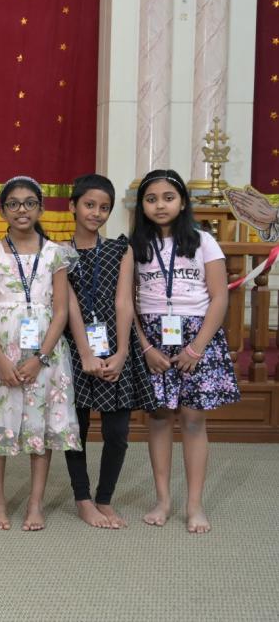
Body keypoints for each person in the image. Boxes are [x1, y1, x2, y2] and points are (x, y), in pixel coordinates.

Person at [0, 175, 81, 532]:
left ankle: (35, 503)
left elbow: (61, 311)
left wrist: (39, 358)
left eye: (29, 203)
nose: (21, 210)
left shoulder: (56, 253)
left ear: (41, 208)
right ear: (2, 211)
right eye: (13, 204)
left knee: (40, 426)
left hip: (45, 353)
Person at [131, 169, 239, 534]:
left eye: (168, 198)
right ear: (142, 206)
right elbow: (127, 303)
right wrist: (145, 346)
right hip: (153, 338)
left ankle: (194, 504)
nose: (160, 205)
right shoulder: (135, 245)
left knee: (193, 419)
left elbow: (219, 297)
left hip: (197, 336)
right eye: (151, 199)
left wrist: (196, 348)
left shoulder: (203, 241)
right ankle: (163, 500)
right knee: (159, 417)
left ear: (182, 202)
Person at [63, 174, 155, 529]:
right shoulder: (59, 252)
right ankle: (83, 499)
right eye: (89, 205)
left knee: (117, 433)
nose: (96, 213)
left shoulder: (120, 249)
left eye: (104, 208)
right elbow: (67, 306)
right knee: (75, 430)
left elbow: (124, 302)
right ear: (73, 206)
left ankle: (104, 498)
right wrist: (85, 353)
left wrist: (121, 353)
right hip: (75, 348)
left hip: (116, 346)